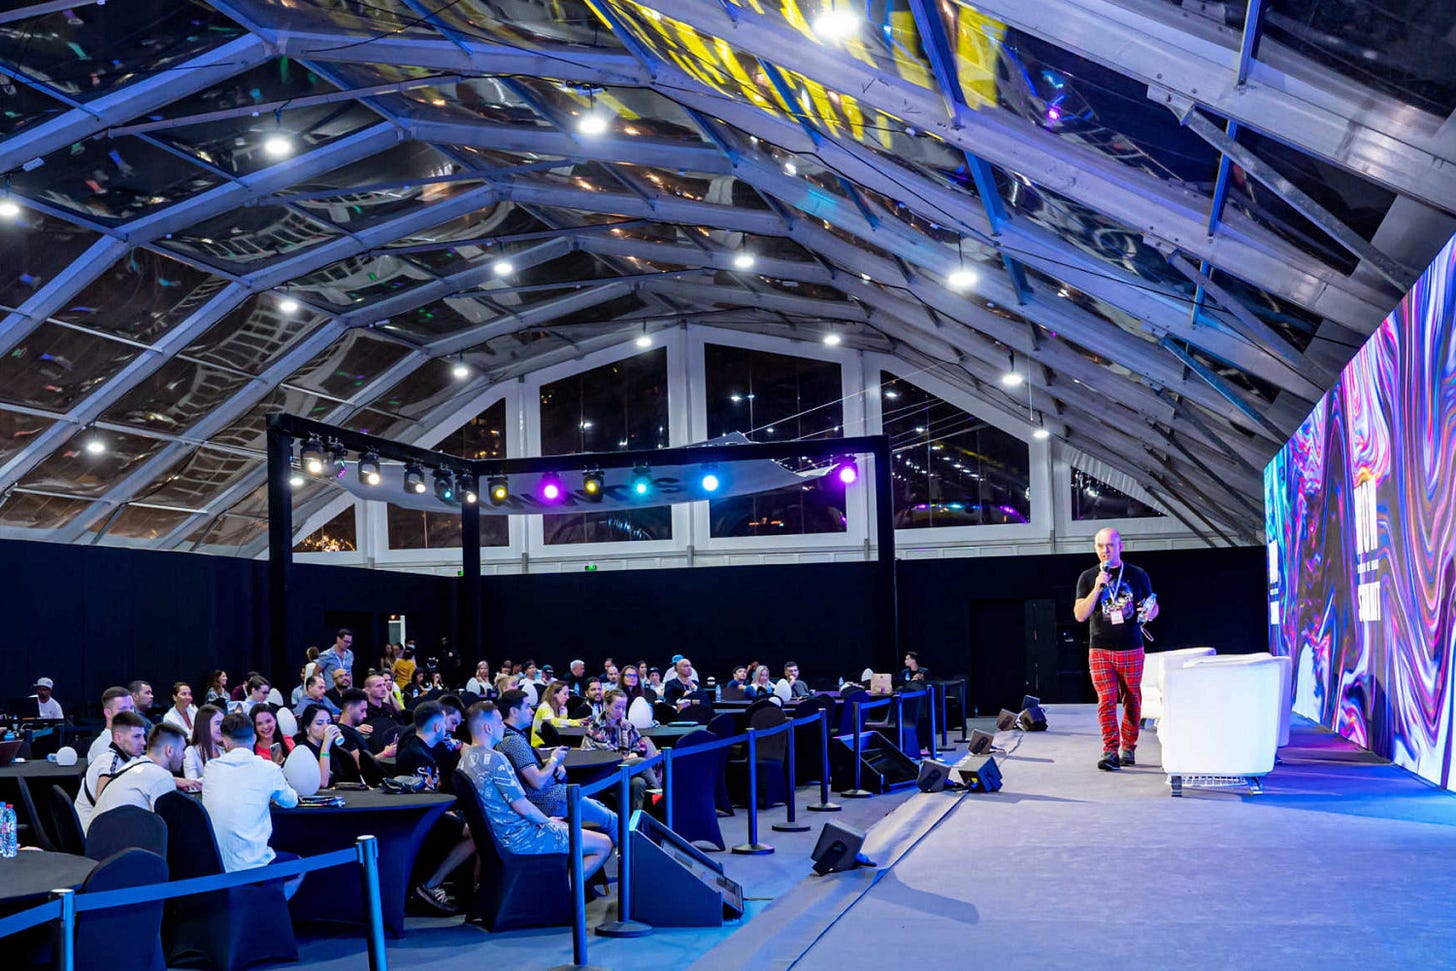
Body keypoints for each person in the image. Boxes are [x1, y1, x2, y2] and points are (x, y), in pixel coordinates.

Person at [460, 701, 612, 883]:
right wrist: (547, 822)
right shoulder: (496, 759)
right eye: (499, 722)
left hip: (497, 835)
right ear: (488, 728)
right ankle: (562, 894)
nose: (503, 726)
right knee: (604, 844)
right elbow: (522, 806)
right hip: (519, 838)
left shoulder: (465, 760)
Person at [1073, 527, 1159, 772]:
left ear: (1120, 546)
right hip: (1100, 648)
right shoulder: (1089, 577)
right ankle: (1110, 750)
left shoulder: (1137, 574)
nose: (1105, 550)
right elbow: (1080, 615)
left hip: (1131, 647)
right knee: (1106, 699)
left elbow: (1153, 609)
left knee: (1132, 698)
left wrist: (1149, 610)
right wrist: (1097, 588)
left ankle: (1128, 747)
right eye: (1100, 546)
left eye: (1109, 545)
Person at [202, 712, 301, 894]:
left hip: (215, 864)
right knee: (299, 864)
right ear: (254, 737)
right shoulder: (268, 769)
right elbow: (291, 801)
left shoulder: (211, 768)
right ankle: (273, 904)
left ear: (224, 741)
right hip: (254, 865)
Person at [495, 689, 618, 835]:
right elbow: (537, 782)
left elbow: (526, 769)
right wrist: (554, 760)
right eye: (527, 707)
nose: (532, 711)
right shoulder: (514, 741)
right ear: (514, 711)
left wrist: (550, 762)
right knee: (612, 820)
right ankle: (624, 850)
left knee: (601, 808)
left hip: (552, 796)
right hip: (550, 799)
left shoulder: (510, 737)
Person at [393, 701, 476, 914]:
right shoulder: (418, 756)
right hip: (420, 819)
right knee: (476, 832)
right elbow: (423, 800)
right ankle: (431, 884)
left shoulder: (424, 748)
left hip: (426, 813)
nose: (449, 729)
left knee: (471, 823)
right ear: (438, 726)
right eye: (446, 723)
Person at [93, 723, 195, 817]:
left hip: (98, 828)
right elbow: (169, 824)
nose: (184, 756)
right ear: (169, 750)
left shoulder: (131, 765)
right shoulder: (162, 777)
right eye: (182, 750)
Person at [75, 710, 148, 834]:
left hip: (100, 828)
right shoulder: (109, 763)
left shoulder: (126, 759)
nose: (143, 742)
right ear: (118, 737)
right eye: (136, 737)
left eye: (143, 736)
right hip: (92, 832)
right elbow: (103, 807)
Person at [583, 689, 660, 790]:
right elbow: (599, 754)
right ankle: (659, 793)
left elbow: (640, 744)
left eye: (623, 708)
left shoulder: (627, 725)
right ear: (606, 705)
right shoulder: (595, 727)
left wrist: (635, 753)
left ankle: (649, 798)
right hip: (604, 770)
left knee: (638, 782)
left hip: (626, 767)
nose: (620, 711)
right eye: (617, 707)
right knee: (640, 762)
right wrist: (626, 758)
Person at [284, 704, 348, 791]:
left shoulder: (330, 747)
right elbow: (323, 783)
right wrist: (326, 745)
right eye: (319, 723)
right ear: (307, 727)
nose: (326, 727)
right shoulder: (302, 751)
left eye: (329, 722)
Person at [86, 686, 136, 764]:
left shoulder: (132, 742)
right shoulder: (103, 746)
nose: (130, 713)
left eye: (132, 708)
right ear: (108, 713)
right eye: (123, 709)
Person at [531, 680, 585, 746]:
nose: (568, 697)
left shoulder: (560, 708)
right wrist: (576, 722)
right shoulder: (545, 706)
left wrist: (563, 712)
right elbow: (553, 722)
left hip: (552, 744)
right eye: (565, 694)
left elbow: (562, 725)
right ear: (555, 694)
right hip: (540, 746)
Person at [185, 704, 224, 781]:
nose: (222, 728)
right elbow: (191, 783)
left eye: (223, 724)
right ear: (204, 725)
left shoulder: (225, 750)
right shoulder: (191, 752)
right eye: (218, 723)